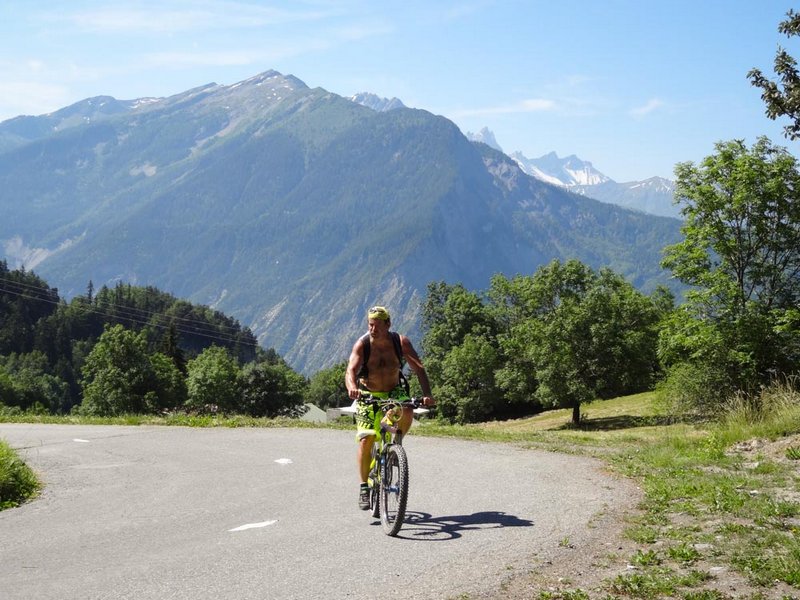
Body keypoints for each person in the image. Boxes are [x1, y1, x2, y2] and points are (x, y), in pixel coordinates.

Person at [345, 305, 434, 510]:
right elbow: (351, 370)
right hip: (368, 394)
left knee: (408, 408)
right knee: (366, 440)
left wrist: (427, 394)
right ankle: (363, 487)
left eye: (376, 325)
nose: (372, 329)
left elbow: (418, 368)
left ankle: (395, 446)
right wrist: (352, 387)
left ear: (388, 324)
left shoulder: (400, 342)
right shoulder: (363, 344)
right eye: (370, 325)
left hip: (394, 391)